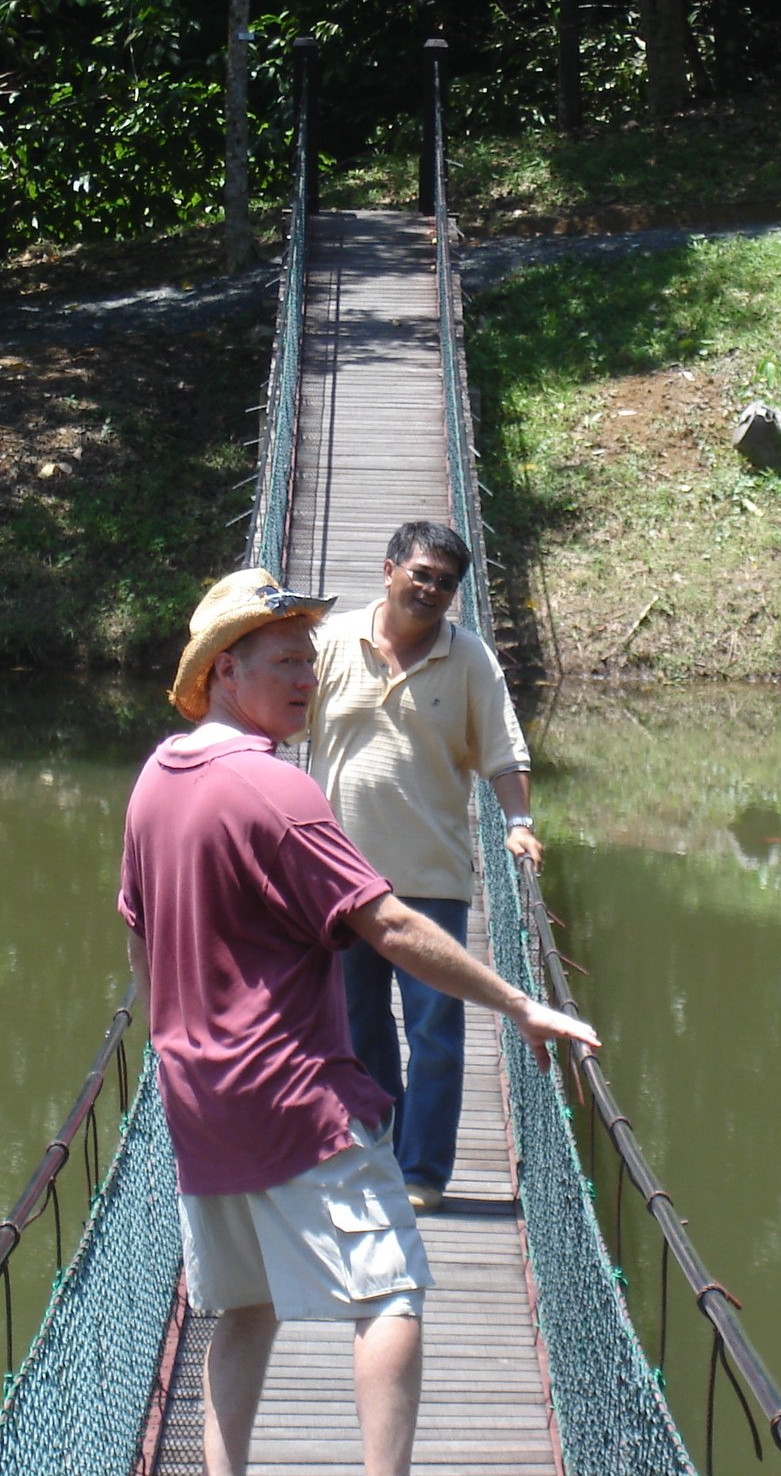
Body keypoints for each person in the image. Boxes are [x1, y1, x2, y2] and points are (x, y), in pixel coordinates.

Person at [118, 567, 596, 1476]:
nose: (308, 679)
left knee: (244, 1308)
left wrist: (174, 1044)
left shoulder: (154, 781)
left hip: (198, 1098)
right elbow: (390, 923)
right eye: (286, 663)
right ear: (225, 671)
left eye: (310, 660)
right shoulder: (278, 793)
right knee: (391, 1296)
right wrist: (520, 1002)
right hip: (296, 1101)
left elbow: (138, 933)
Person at [305, 521, 541, 1215]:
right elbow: (273, 719)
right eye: (422, 574)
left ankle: (424, 1172)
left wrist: (519, 825)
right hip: (340, 881)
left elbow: (504, 750)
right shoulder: (328, 644)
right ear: (388, 570)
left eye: (445, 582)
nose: (432, 589)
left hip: (432, 878)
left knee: (436, 1032)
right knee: (356, 1027)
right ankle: (379, 1153)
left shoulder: (468, 660)